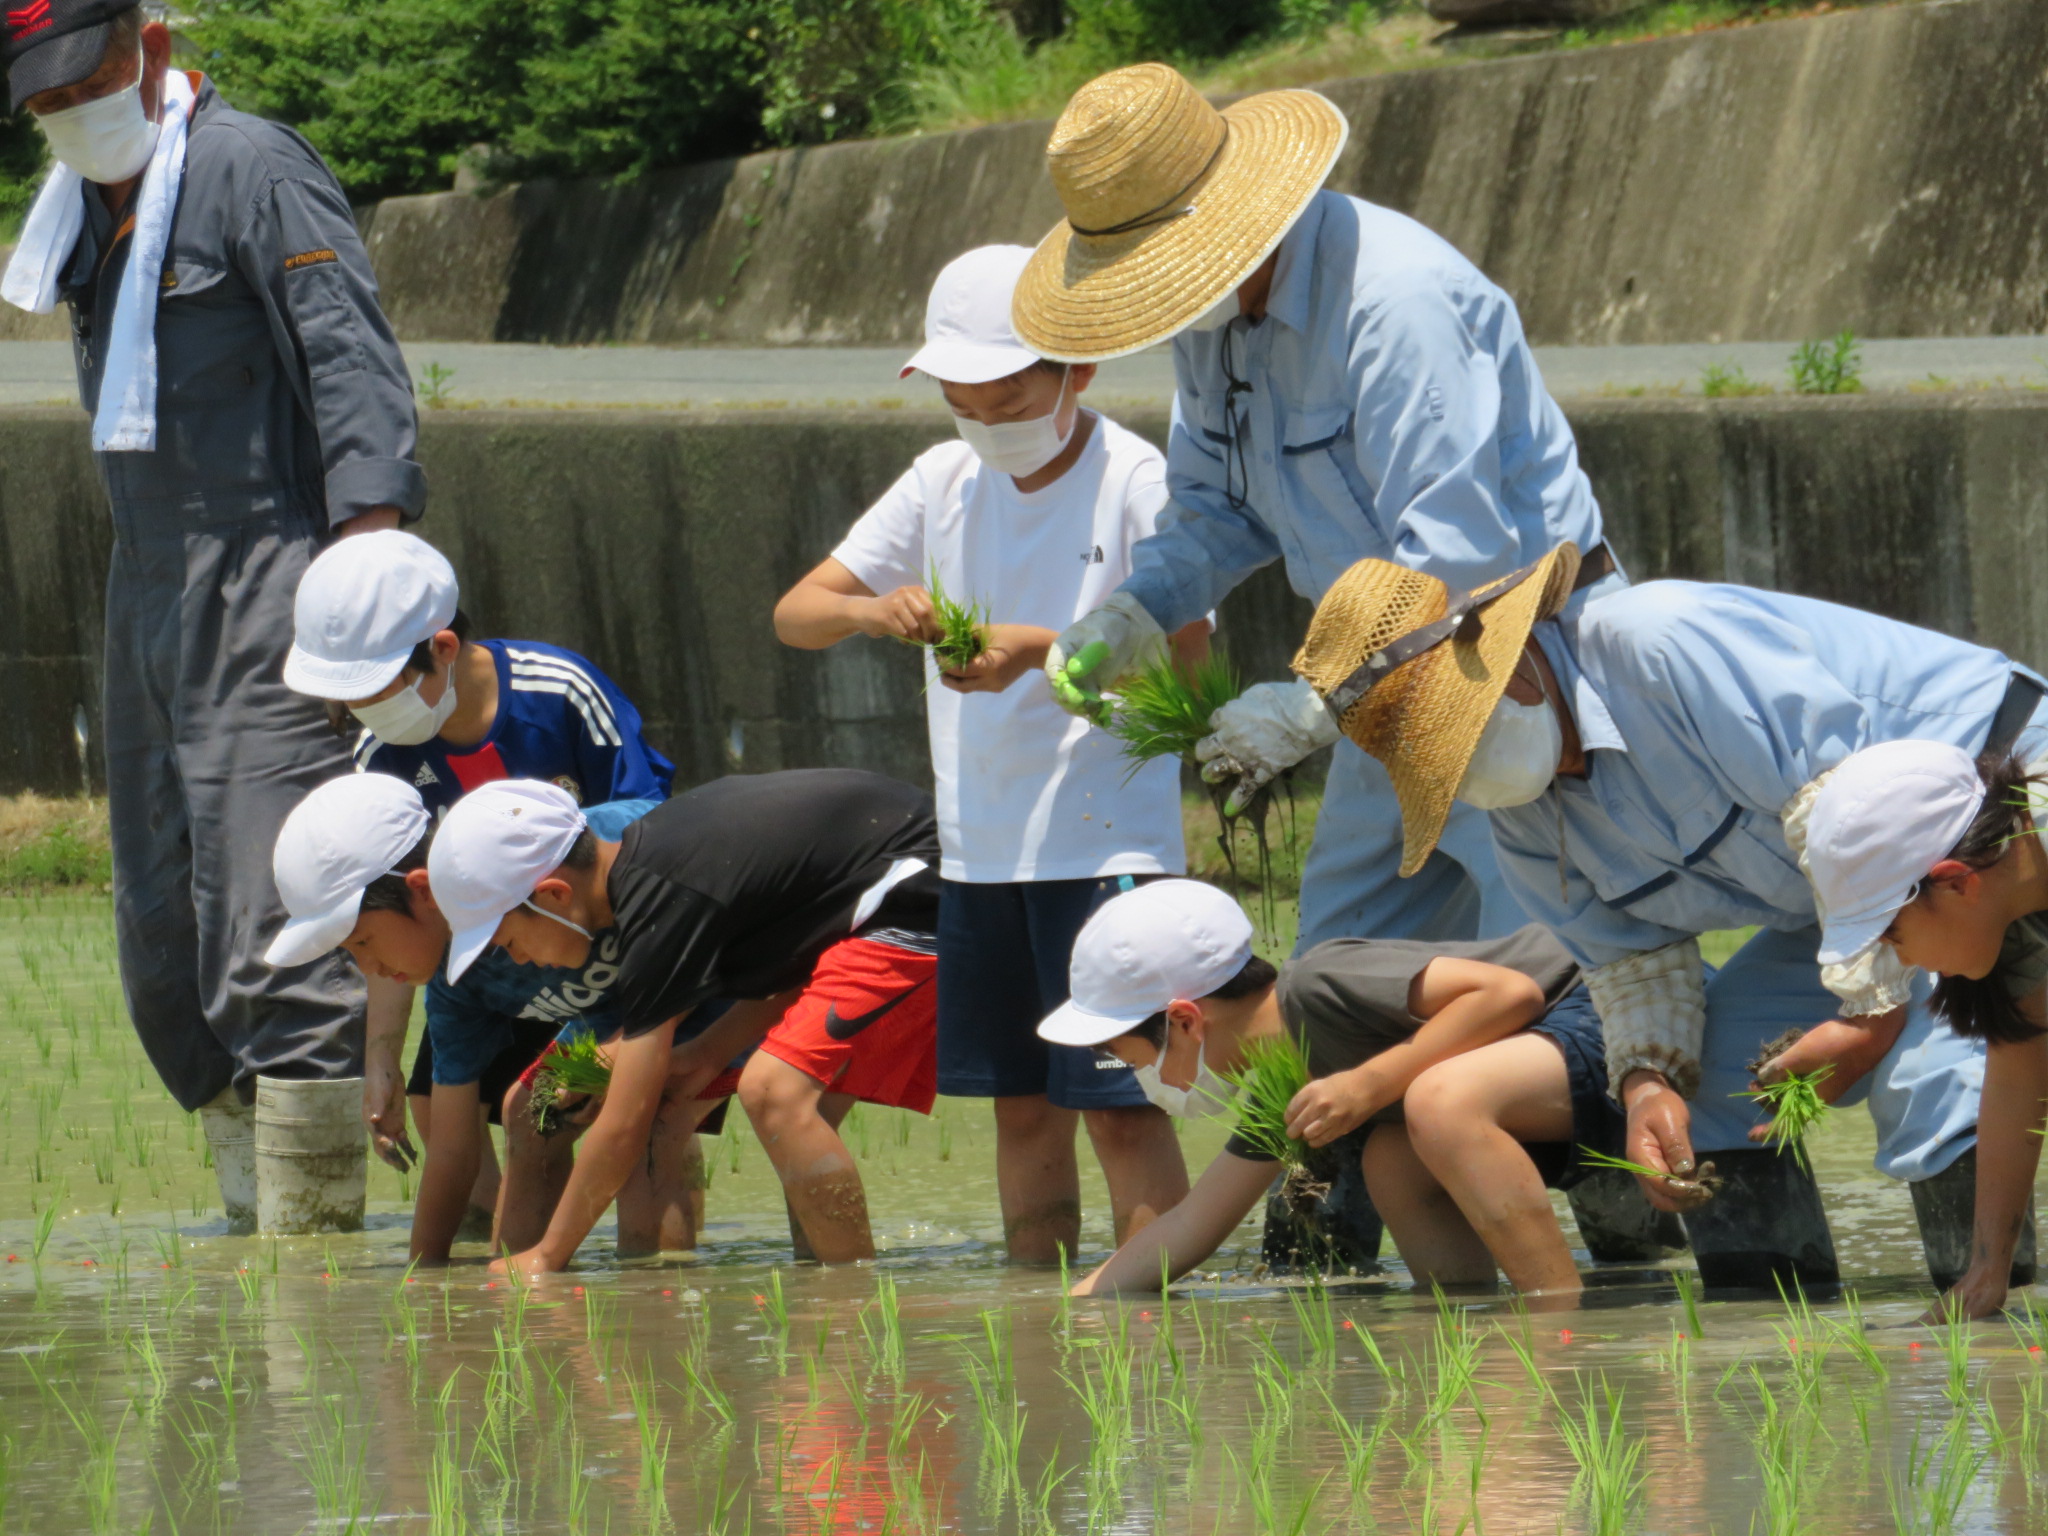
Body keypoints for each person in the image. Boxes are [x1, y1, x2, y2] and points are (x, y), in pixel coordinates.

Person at [1290, 545, 2048, 1291]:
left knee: (1934, 1061)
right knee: (1722, 1078)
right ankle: (1766, 1343)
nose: (1472, 774)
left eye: (1467, 738)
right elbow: (1628, 963)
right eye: (1446, 769)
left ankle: (1992, 1314)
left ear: (1513, 664)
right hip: (1853, 914)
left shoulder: (1662, 648)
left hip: (1978, 829)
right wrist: (1650, 1085)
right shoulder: (1522, 820)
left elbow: (1857, 816)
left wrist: (1874, 1014)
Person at [1009, 62, 1621, 955]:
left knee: (1544, 998)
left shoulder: (1395, 303)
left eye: (1162, 273)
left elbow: (1457, 555)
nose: (1166, 301)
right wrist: (1138, 608)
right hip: (1375, 691)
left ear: (1230, 222)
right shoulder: (1210, 323)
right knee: (1335, 981)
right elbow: (1220, 506)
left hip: (1518, 675)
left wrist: (1308, 710)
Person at [2, 2, 424, 1224]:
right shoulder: (87, 196)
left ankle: (326, 1266)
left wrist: (369, 555)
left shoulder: (250, 169)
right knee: (156, 929)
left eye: (81, 79)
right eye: (38, 99)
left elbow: (348, 355)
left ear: (154, 46)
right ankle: (252, 1218)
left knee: (270, 909)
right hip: (147, 582)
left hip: (272, 572)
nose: (64, 112)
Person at [774, 244, 1201, 1263]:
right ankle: (1041, 1330)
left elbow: (1187, 678)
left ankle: (1154, 1332)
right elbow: (797, 613)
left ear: (1076, 371)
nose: (987, 420)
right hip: (982, 853)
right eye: (963, 400)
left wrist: (1043, 654)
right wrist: (874, 608)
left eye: (1008, 395)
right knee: (1018, 1109)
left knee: (1125, 1109)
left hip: (1109, 853)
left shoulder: (1136, 480)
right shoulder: (940, 478)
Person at [283, 528, 674, 1227]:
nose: (364, 716)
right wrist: (381, 1055)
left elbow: (651, 839)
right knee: (447, 1109)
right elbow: (380, 920)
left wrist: (625, 1025)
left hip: (623, 971)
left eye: (376, 691)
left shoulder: (560, 694)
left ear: (442, 650)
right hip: (491, 973)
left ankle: (638, 1277)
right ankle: (507, 1279)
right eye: (350, 703)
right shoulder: (381, 754)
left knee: (640, 1127)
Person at [429, 772, 944, 1275]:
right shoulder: (655, 867)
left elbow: (623, 1124)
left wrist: (546, 1257)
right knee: (781, 1093)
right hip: (877, 897)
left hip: (919, 893)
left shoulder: (660, 903)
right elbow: (793, 960)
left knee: (775, 1092)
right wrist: (707, 1054)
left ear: (553, 896)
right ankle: (834, 1280)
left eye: (508, 941)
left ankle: (852, 1302)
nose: (517, 960)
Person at [1048, 881, 1621, 1302]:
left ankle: (1556, 1320)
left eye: (1122, 1054)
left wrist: (1369, 1083)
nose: (1130, 1072)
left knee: (1438, 1101)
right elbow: (1194, 1221)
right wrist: (1079, 1304)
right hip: (1538, 1073)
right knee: (1392, 1159)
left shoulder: (1320, 983)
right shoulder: (1283, 1082)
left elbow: (1510, 993)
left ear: (1184, 1022)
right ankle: (1462, 1316)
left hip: (1603, 1011)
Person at [264, 774, 692, 1264]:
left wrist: (620, 1054)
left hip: (708, 986)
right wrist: (424, 1281)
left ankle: (662, 1300)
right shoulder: (455, 987)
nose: (369, 969)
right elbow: (451, 1152)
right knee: (533, 1110)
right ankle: (519, 1294)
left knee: (654, 1117)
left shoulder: (578, 852)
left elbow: (706, 911)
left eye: (363, 942)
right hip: (622, 1020)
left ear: (421, 892)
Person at [1802, 740, 2046, 1318]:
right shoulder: (2011, 905)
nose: (1901, 959)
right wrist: (1987, 1273)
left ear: (1957, 882)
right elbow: (2020, 1077)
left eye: (1889, 932)